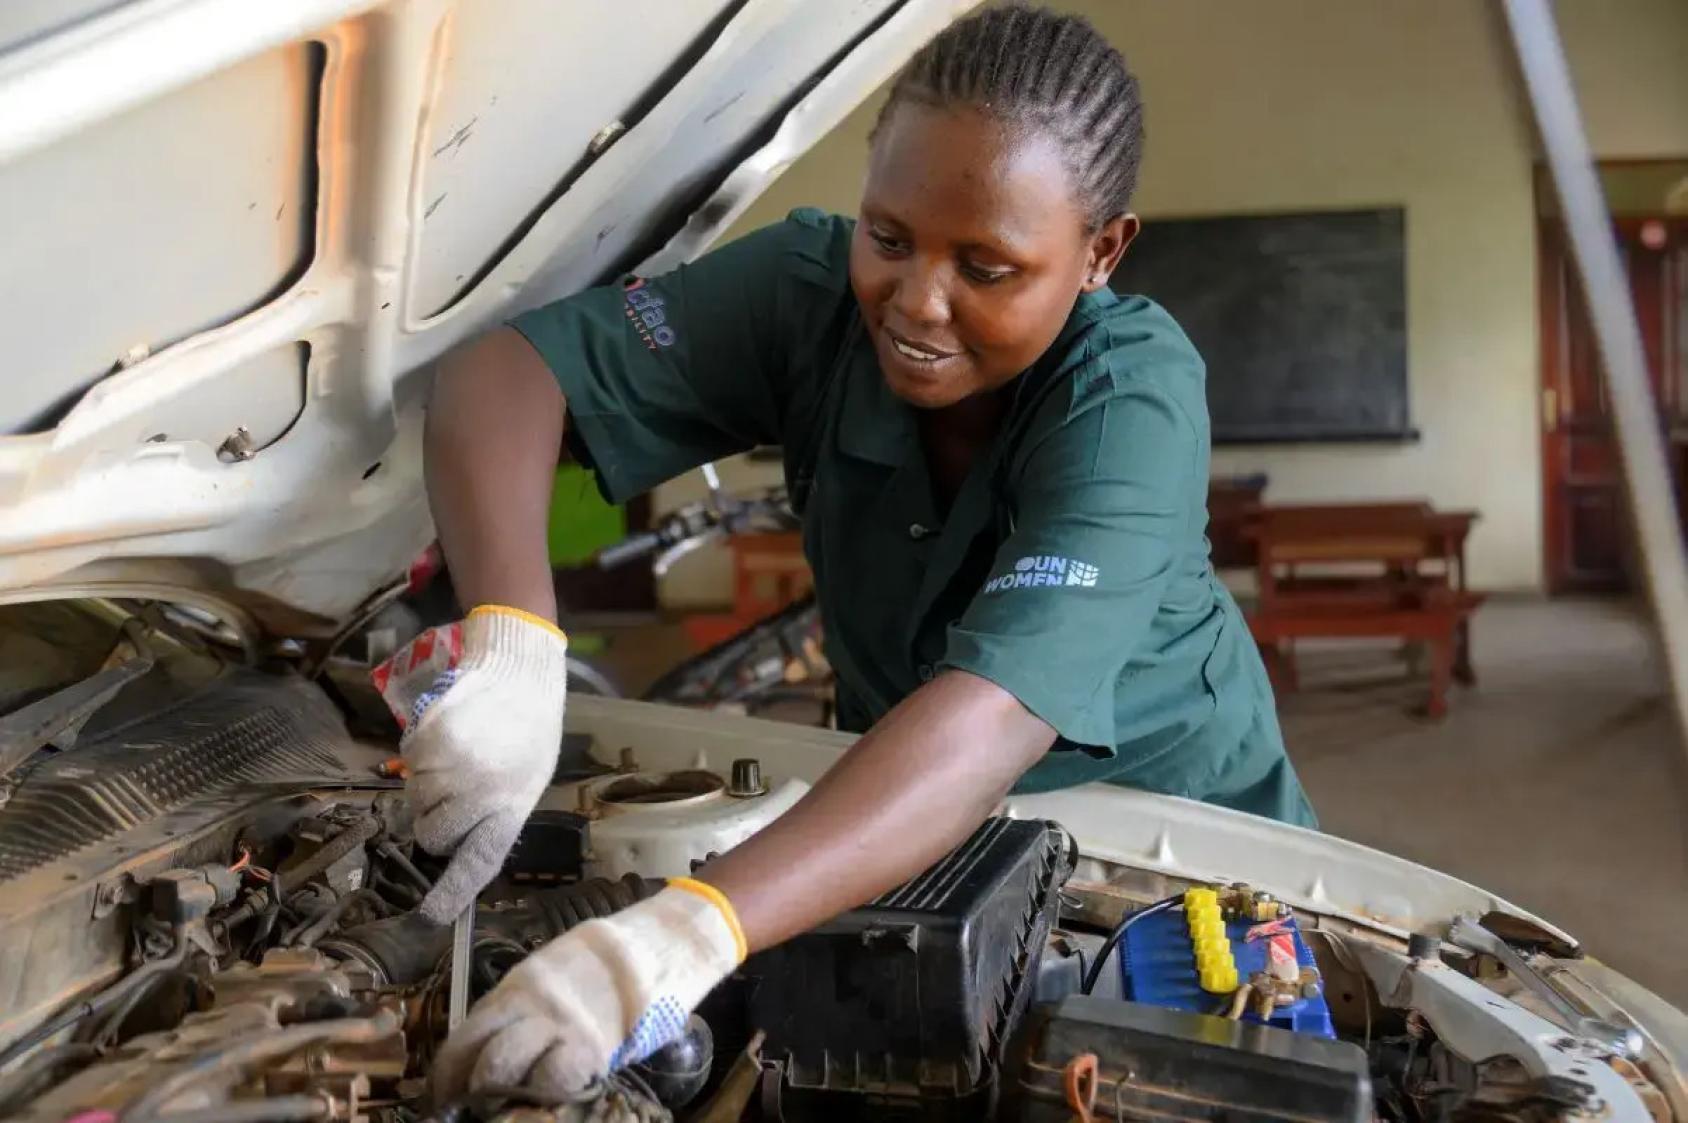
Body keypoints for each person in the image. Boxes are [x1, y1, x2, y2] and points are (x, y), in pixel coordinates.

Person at [412, 5, 1316, 1103]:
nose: (915, 302)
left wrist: (679, 934)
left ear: (1100, 251)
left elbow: (990, 717)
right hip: (894, 808)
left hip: (1165, 838)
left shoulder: (1130, 393)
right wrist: (516, 643)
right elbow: (502, 376)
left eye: (987, 267)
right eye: (887, 237)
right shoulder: (803, 295)